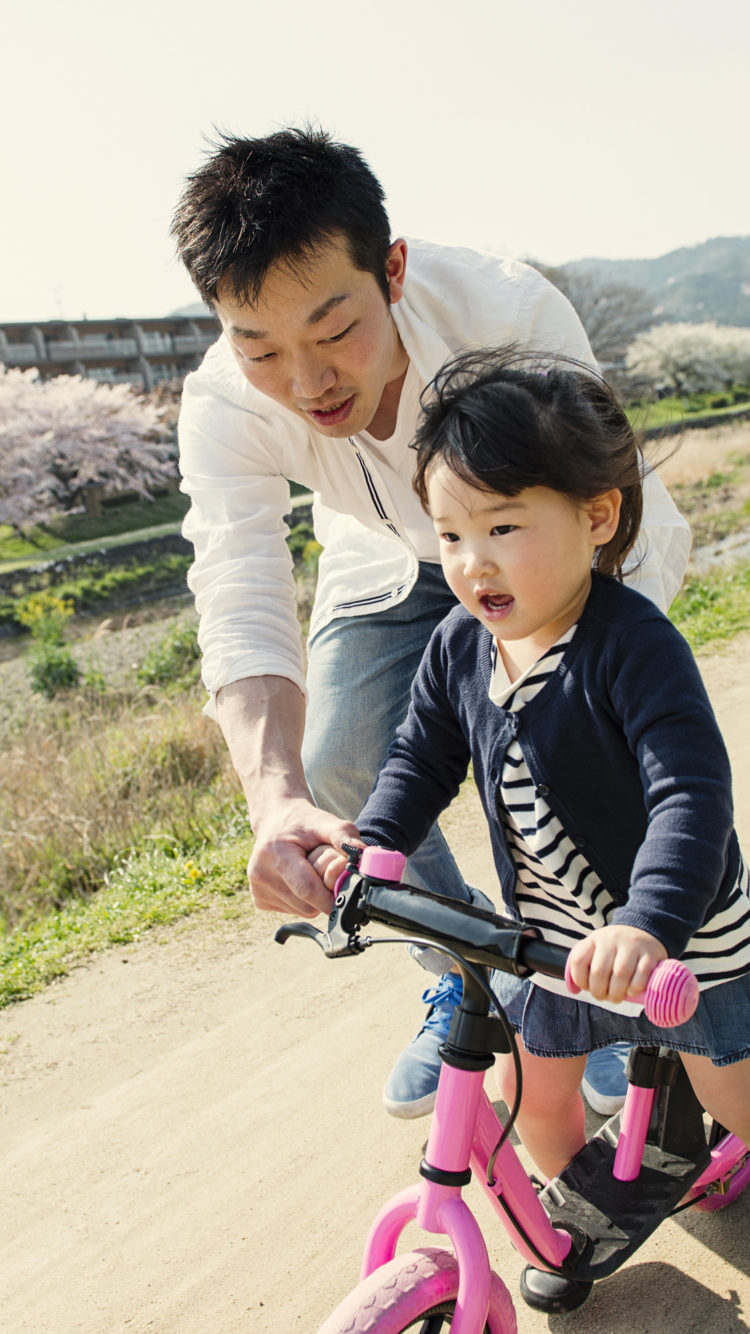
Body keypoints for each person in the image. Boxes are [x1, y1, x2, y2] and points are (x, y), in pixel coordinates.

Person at [171, 126, 691, 1119]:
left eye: (335, 331)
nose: (308, 381)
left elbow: (594, 509)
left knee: (579, 753)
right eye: (261, 346)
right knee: (337, 756)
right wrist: (272, 798)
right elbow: (236, 585)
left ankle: (617, 994)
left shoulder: (506, 313)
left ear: (394, 269)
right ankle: (470, 976)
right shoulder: (224, 403)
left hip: (545, 531)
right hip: (381, 547)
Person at [311, 346, 750, 1312]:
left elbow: (691, 795)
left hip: (679, 942)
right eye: (452, 534)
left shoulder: (634, 648)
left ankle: (721, 1140)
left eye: (504, 526)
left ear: (597, 517)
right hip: (552, 943)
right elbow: (418, 763)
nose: (474, 562)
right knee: (537, 1106)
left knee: (734, 1097)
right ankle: (569, 1221)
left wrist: (649, 923)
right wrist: (368, 848)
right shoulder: (460, 646)